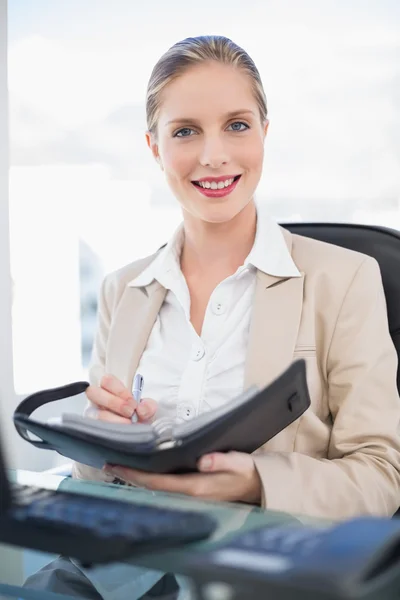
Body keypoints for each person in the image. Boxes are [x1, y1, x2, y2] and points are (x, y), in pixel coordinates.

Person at [72, 34, 400, 521]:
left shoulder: (346, 279)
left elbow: (382, 477)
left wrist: (256, 483)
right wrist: (97, 439)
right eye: (184, 131)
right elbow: (93, 478)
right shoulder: (122, 291)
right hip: (119, 569)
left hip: (258, 576)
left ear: (264, 132)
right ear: (154, 148)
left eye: (237, 125)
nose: (214, 155)